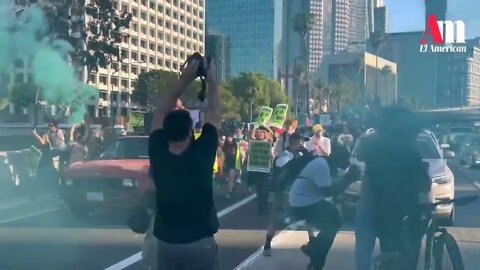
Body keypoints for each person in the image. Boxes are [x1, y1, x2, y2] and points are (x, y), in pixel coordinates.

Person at [148, 57, 221, 270]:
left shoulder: (158, 151)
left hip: (167, 242)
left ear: (165, 132)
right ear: (191, 131)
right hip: (200, 242)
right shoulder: (202, 152)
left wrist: (184, 80)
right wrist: (212, 80)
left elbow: (159, 112)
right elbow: (215, 112)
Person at [354, 106, 433, 270]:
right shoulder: (379, 144)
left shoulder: (408, 152)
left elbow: (423, 184)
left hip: (394, 207)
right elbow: (424, 185)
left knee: (389, 248)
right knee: (371, 244)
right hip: (378, 204)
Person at [289, 150, 360, 270]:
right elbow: (328, 191)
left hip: (308, 200)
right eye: (344, 161)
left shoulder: (327, 165)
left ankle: (316, 261)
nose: (345, 164)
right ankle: (314, 251)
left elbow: (332, 190)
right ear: (338, 159)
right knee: (334, 224)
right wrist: (348, 179)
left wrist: (347, 179)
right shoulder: (322, 165)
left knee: (331, 227)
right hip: (303, 202)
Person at [263, 132, 312, 256]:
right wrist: (296, 157)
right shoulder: (284, 156)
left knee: (308, 218)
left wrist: (306, 155)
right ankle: (267, 245)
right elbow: (284, 169)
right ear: (295, 143)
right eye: (301, 142)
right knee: (276, 218)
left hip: (298, 192)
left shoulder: (301, 155)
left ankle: (313, 244)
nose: (303, 144)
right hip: (283, 193)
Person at [247, 125, 274, 215]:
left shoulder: (269, 142)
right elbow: (249, 138)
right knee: (259, 188)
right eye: (259, 132)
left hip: (266, 169)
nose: (260, 134)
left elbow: (272, 155)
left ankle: (264, 205)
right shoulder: (254, 142)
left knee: (265, 189)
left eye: (262, 132)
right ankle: (260, 208)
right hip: (257, 169)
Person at [222, 132, 239, 199]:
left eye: (230, 137)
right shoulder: (225, 145)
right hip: (226, 162)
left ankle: (229, 193)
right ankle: (232, 188)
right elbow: (222, 152)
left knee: (231, 178)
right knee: (230, 178)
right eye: (227, 137)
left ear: (232, 138)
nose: (228, 138)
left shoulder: (236, 144)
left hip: (234, 162)